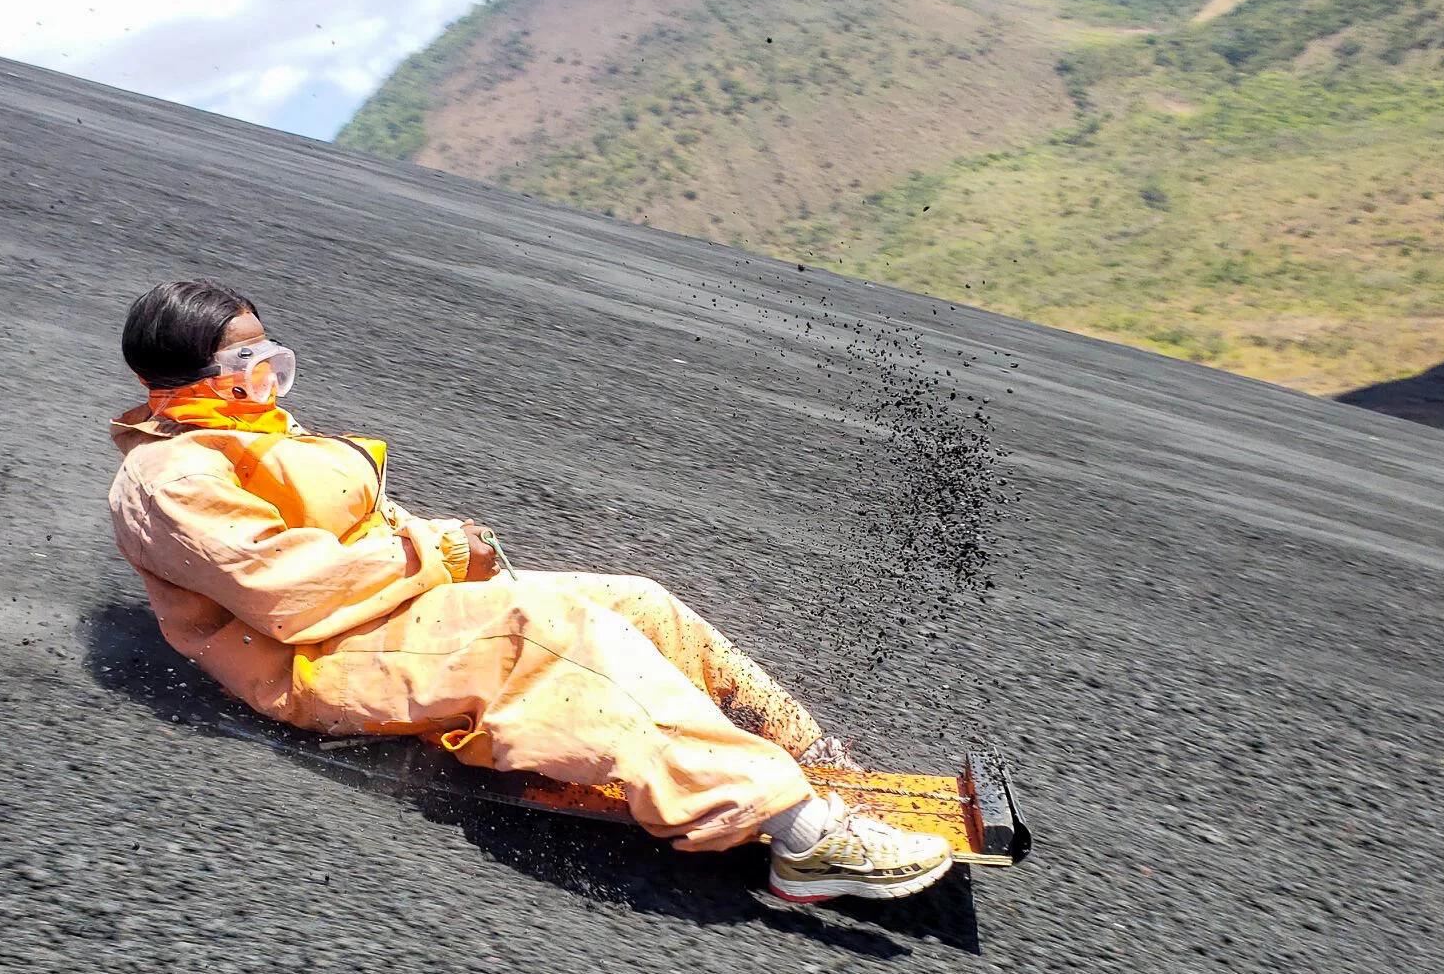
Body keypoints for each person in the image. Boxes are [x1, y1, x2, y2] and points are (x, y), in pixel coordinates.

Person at [107, 279, 953, 902]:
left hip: (388, 614)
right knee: (539, 632)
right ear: (198, 373)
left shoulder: (249, 430)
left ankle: (815, 767)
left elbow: (358, 528)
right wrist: (438, 551)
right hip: (315, 661)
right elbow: (289, 592)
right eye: (248, 359)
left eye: (269, 353)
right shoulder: (171, 476)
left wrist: (442, 547)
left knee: (636, 601)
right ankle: (799, 842)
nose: (268, 370)